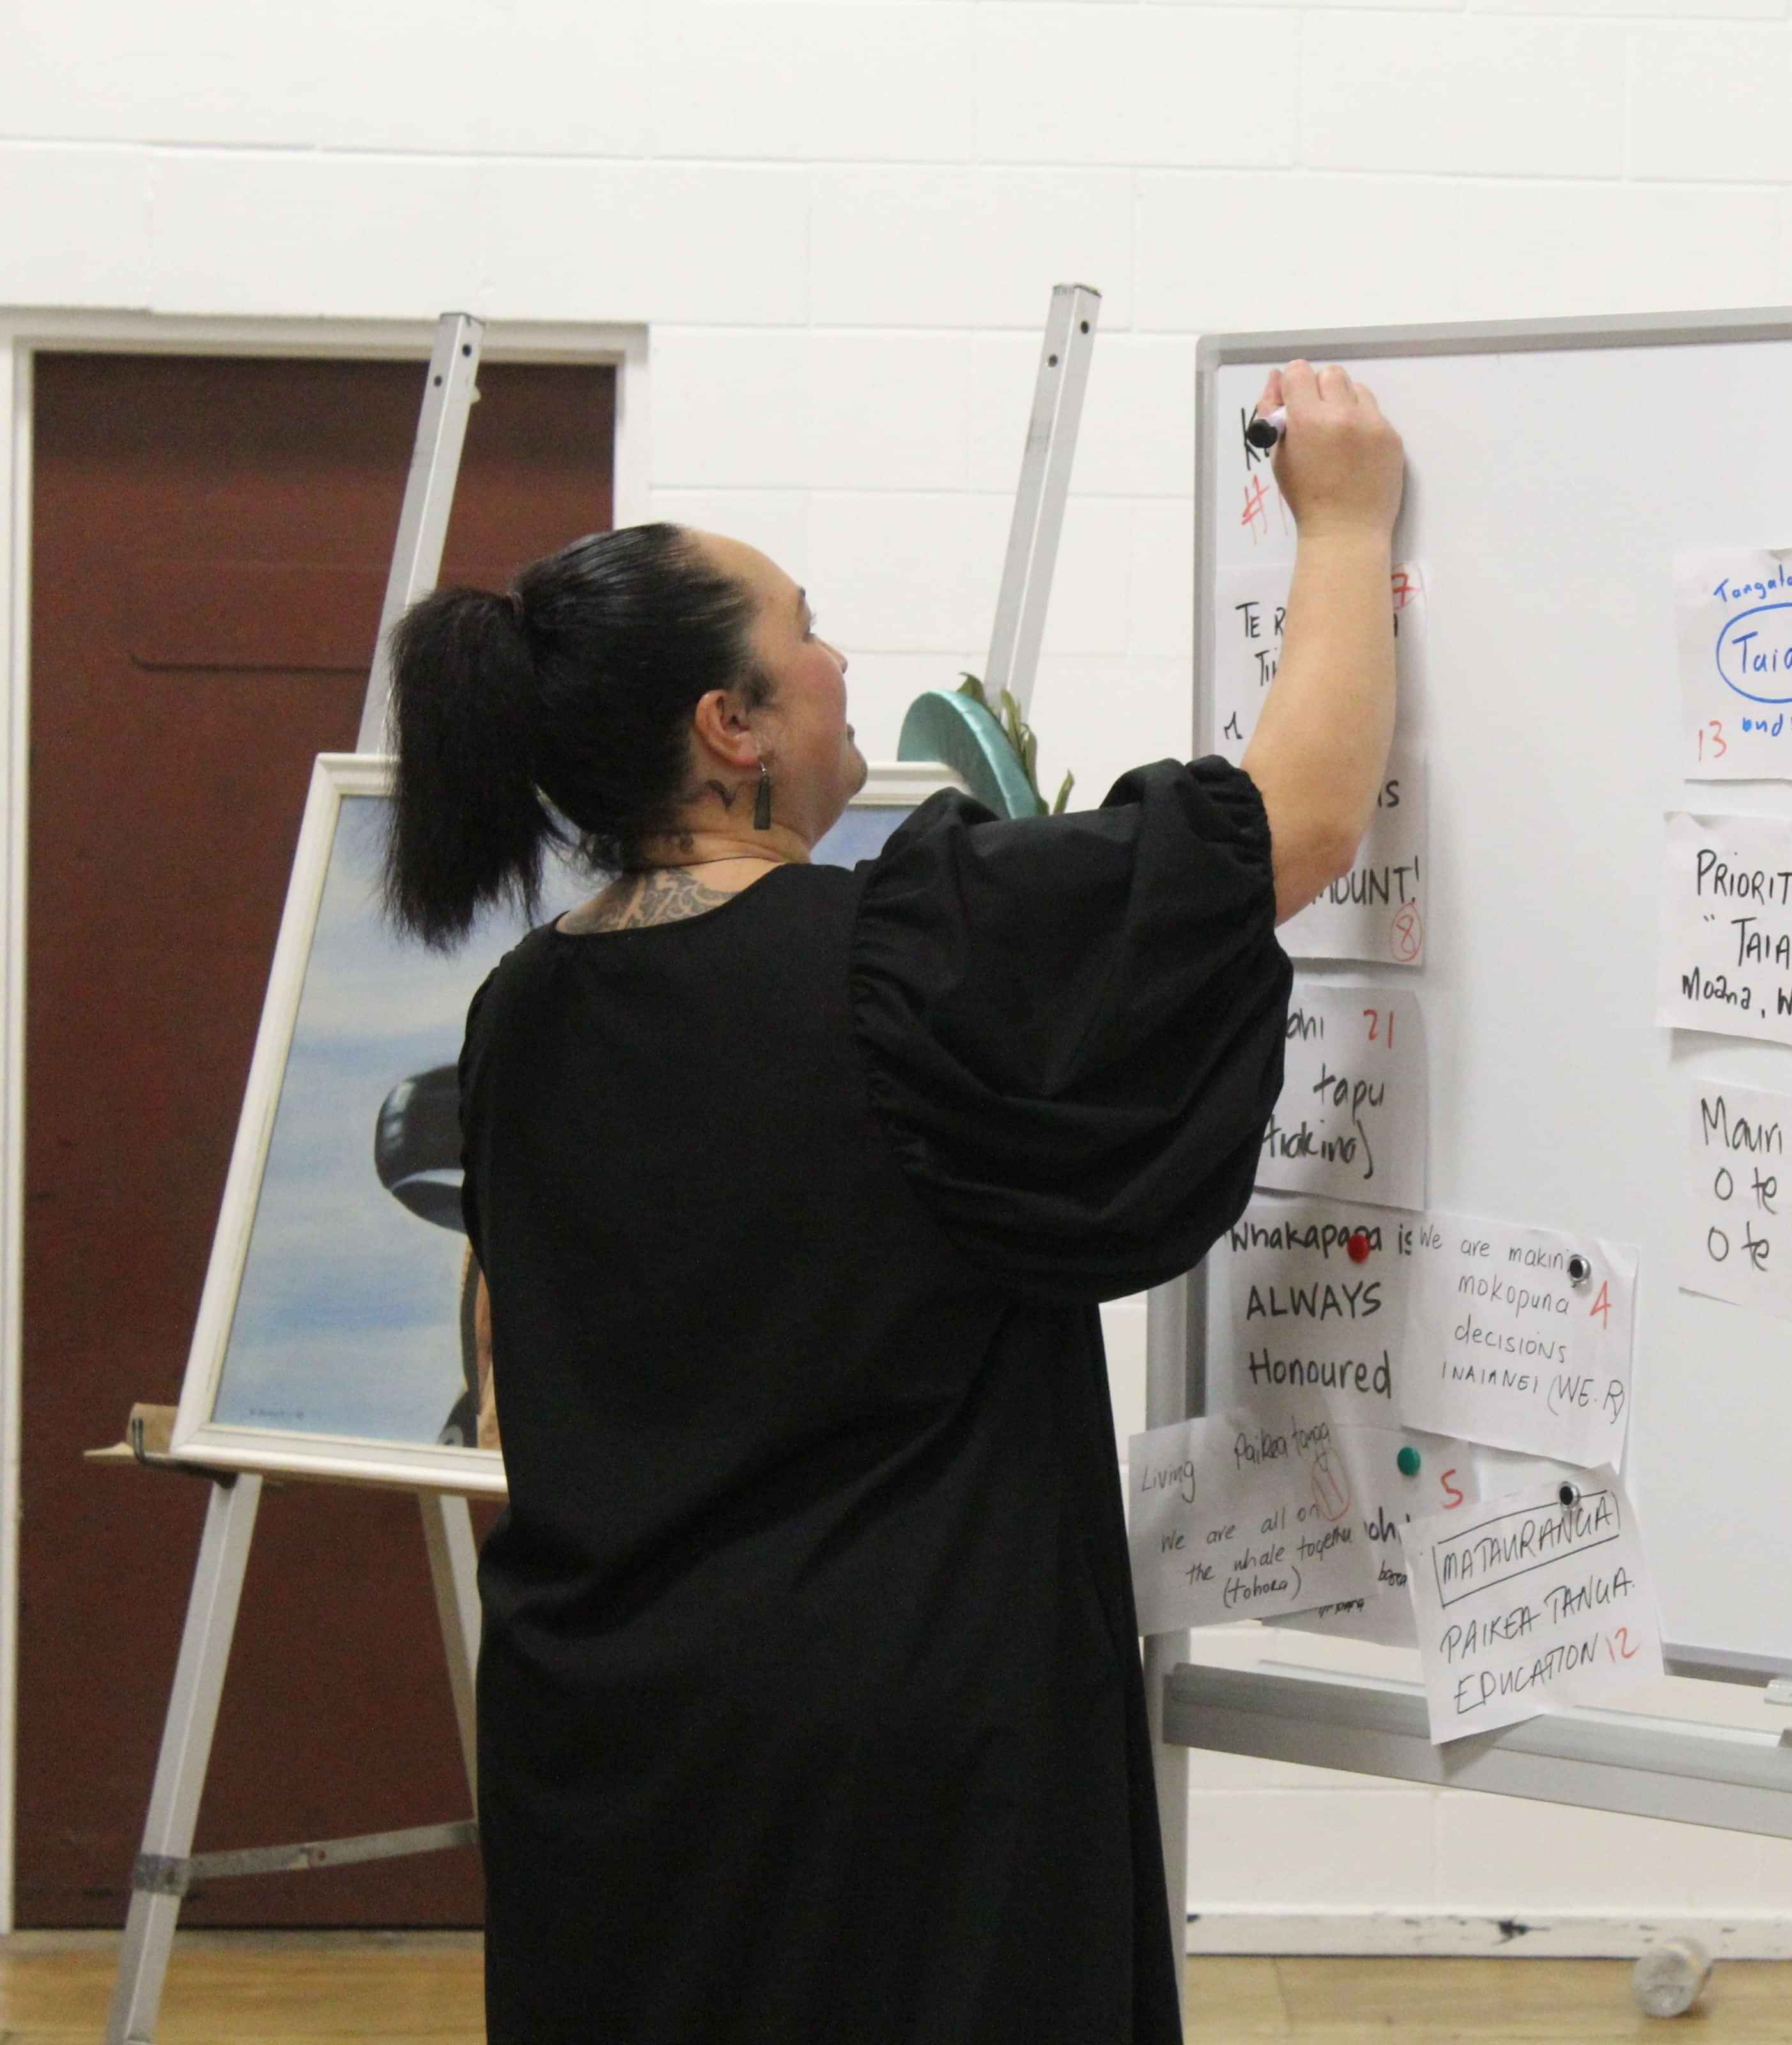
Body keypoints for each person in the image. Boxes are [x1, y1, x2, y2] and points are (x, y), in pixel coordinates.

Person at [383, 360, 1402, 2043]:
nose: (844, 659)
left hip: (611, 1737)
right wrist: (1348, 523)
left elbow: (503, 1366)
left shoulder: (524, 1009)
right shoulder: (904, 946)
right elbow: (1284, 829)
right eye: (808, 628)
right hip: (904, 1752)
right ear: (734, 725)